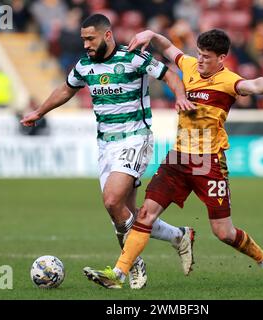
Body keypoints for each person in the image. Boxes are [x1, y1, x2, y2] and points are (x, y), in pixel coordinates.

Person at [83, 28, 263, 289]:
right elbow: (168, 47)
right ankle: (119, 273)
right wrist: (150, 34)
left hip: (209, 163)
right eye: (198, 54)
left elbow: (254, 85)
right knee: (145, 215)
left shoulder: (229, 81)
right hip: (178, 159)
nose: (200, 60)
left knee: (223, 233)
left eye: (207, 56)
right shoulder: (190, 65)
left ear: (222, 58)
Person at [20, 14, 196, 289]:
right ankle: (179, 236)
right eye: (83, 39)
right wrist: (39, 112)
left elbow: (170, 75)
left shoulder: (133, 58)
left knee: (112, 200)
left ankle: (128, 267)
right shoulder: (84, 66)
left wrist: (181, 96)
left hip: (135, 138)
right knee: (126, 214)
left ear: (108, 35)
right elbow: (66, 89)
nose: (86, 44)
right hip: (105, 144)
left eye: (90, 38)